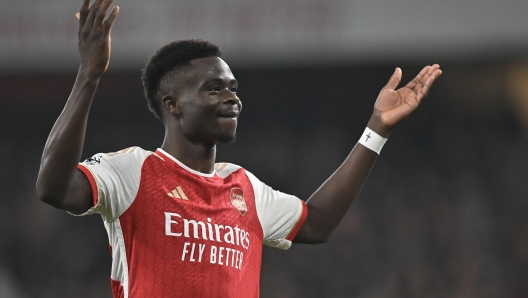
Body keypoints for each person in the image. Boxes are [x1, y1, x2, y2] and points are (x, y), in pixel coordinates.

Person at [36, 0, 442, 297]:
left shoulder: (244, 187)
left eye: (233, 88)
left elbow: (317, 223)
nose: (232, 98)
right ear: (172, 104)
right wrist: (89, 76)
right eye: (214, 88)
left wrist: (376, 128)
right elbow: (54, 189)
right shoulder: (133, 171)